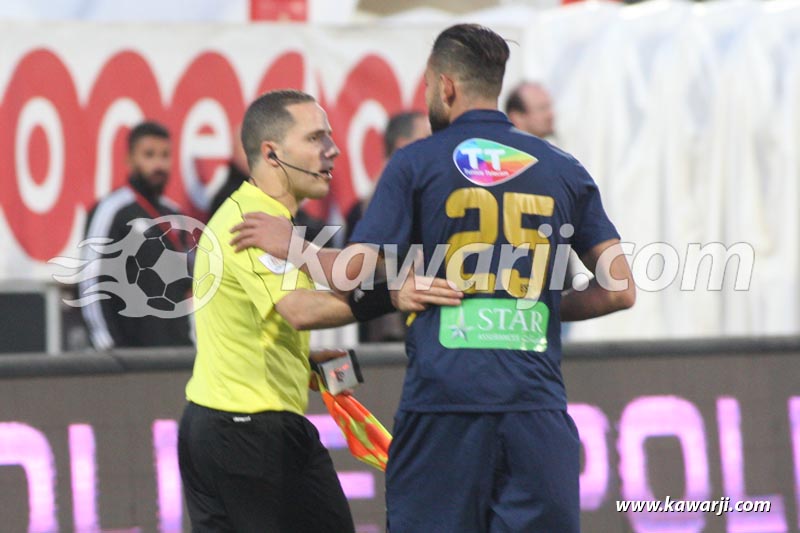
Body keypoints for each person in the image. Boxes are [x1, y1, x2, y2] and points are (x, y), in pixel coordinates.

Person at [231, 24, 635, 533]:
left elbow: (350, 274)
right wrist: (539, 300)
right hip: (537, 414)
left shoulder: (417, 163)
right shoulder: (563, 168)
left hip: (443, 412)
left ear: (445, 86)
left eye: (425, 88)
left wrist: (289, 243)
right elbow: (620, 288)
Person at [178, 89, 462, 533]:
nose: (332, 149)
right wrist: (392, 295)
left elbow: (252, 324)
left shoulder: (265, 219)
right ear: (272, 154)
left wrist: (304, 362)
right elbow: (299, 310)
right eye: (315, 138)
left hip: (222, 426)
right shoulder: (255, 224)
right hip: (249, 431)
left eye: (330, 136)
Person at [80, 121, 192, 350]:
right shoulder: (112, 210)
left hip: (176, 350)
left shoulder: (174, 214)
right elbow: (90, 279)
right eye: (149, 155)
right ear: (130, 160)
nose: (158, 164)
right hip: (130, 354)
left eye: (165, 155)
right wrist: (108, 345)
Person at [344, 110, 431, 342]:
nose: (435, 144)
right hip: (391, 341)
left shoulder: (382, 199)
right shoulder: (384, 202)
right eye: (427, 136)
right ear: (403, 146)